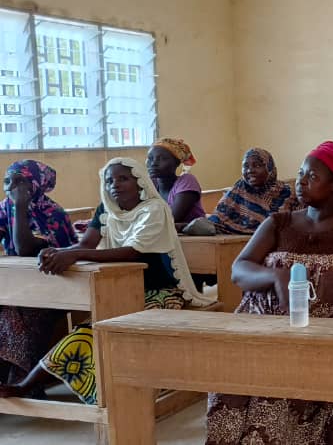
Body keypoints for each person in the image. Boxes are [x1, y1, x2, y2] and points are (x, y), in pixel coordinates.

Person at [205, 141, 333, 445]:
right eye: (300, 175)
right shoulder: (280, 222)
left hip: (322, 330)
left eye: (312, 177)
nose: (301, 182)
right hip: (263, 323)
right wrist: (275, 276)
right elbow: (240, 269)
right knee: (229, 372)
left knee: (275, 381)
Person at [0, 158, 213, 404]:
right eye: (110, 180)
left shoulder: (154, 209)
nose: (115, 185)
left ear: (139, 182)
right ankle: (25, 385)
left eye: (123, 178)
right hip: (121, 290)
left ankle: (119, 394)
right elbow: (85, 244)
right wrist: (58, 252)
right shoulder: (106, 209)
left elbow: (132, 252)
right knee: (84, 334)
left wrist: (74, 254)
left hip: (161, 291)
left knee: (113, 335)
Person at [0, 160, 77, 392]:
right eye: (7, 181)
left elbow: (25, 249)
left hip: (55, 288)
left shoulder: (53, 214)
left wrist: (20, 207)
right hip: (19, 288)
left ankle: (21, 383)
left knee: (13, 315)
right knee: (8, 309)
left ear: (36, 184)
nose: (12, 186)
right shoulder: (5, 208)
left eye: (20, 180)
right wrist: (14, 207)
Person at [208, 148, 300, 235]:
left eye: (257, 165)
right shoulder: (237, 190)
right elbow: (216, 220)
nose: (250, 170)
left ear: (271, 169)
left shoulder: (287, 194)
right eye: (246, 166)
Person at [146, 138, 205, 226]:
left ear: (176, 163)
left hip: (193, 237)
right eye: (150, 158)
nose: (153, 163)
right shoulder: (151, 184)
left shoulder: (187, 181)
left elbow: (172, 218)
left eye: (162, 158)